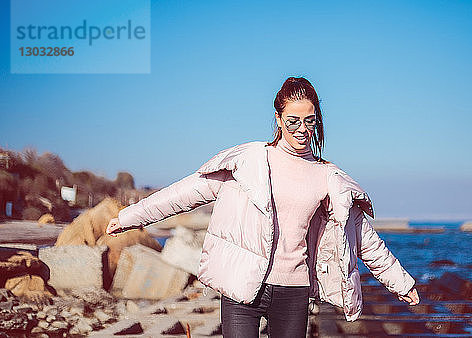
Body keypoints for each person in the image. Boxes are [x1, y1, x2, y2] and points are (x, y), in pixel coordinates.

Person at [106, 76, 419, 337]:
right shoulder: (249, 162)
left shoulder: (328, 177)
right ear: (278, 119)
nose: (301, 128)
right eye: (293, 120)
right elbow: (185, 193)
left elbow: (364, 237)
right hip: (243, 287)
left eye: (309, 121)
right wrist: (130, 217)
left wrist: (401, 283)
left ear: (316, 121)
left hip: (293, 291)